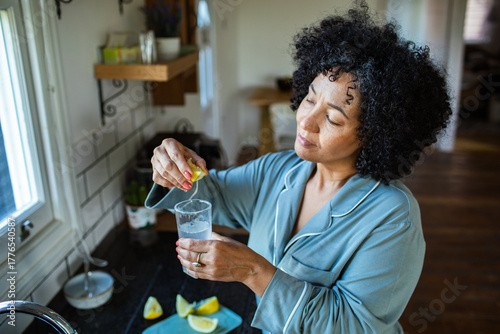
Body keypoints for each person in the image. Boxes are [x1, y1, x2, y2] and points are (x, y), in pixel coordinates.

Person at [145, 1, 452, 333]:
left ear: (377, 137)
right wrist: (173, 168)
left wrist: (252, 271)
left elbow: (353, 326)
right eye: (309, 97)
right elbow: (212, 193)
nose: (306, 120)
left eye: (333, 118)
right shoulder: (279, 170)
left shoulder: (393, 219)